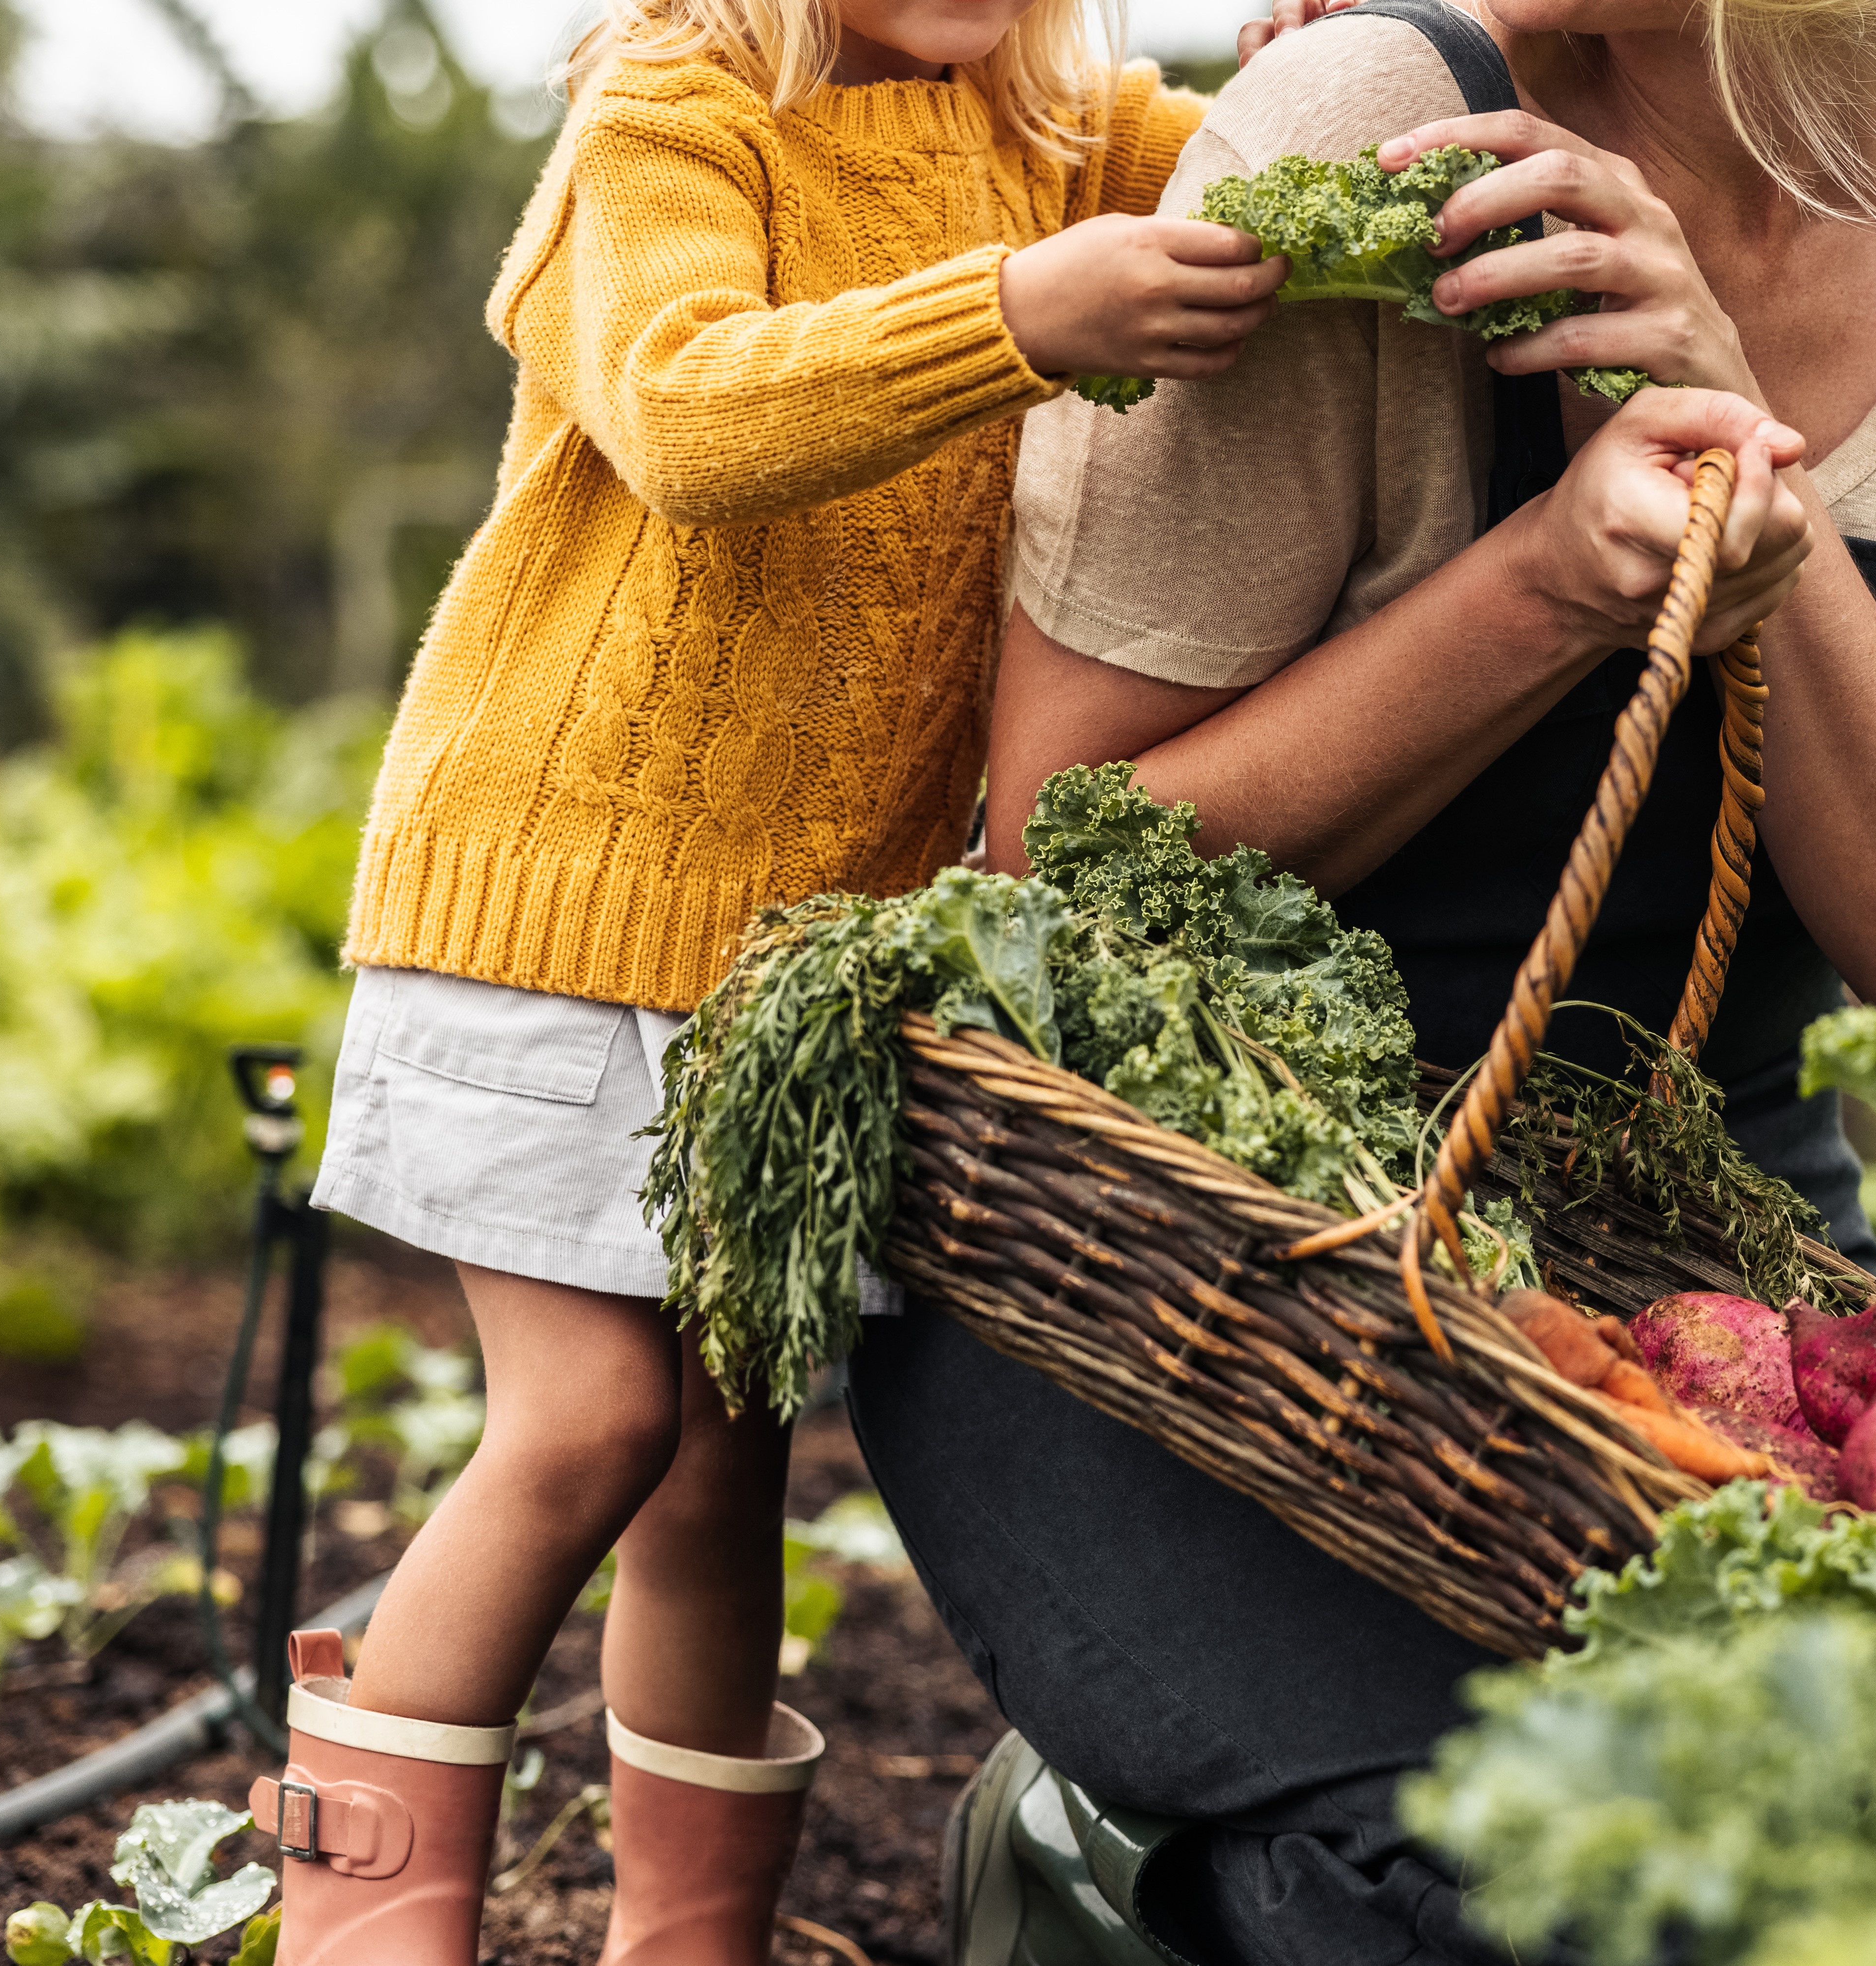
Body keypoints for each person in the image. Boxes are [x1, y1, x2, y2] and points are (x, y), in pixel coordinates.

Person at [847, 0, 1876, 1953]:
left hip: (1669, 1287)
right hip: (1174, 1264)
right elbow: (1068, 869)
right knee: (1505, 1900)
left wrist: (1731, 467)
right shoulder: (1374, 128)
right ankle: (1103, 1864)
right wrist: (1541, 585)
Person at [279, 0, 1304, 1956]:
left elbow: (1297, 175)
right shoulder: (673, 105)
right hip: (561, 895)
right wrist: (1015, 315)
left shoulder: (1070, 140)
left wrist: (1342, 63)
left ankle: (688, 1941)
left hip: (798, 979)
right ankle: (356, 1929)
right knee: (588, 1425)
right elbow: (687, 410)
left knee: (720, 1462)